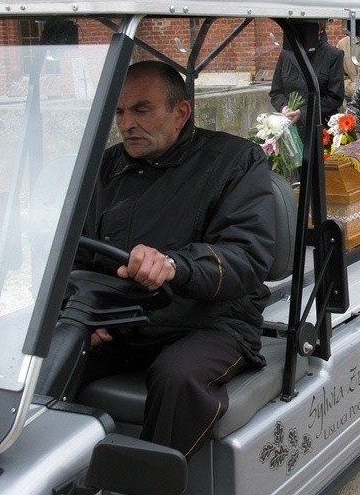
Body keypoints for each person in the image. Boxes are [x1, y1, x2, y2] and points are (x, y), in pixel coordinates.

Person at [76, 60, 277, 456]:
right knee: (39, 357)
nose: (127, 122)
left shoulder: (235, 161)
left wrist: (174, 265)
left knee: (177, 377)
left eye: (141, 109)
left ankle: (150, 484)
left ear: (180, 113)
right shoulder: (104, 167)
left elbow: (247, 256)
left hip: (209, 320)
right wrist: (78, 313)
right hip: (120, 319)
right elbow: (75, 253)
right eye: (119, 111)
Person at [269, 22, 344, 131]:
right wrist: (284, 107)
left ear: (320, 29)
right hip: (290, 127)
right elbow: (276, 91)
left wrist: (303, 112)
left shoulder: (333, 55)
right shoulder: (286, 54)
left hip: (320, 129)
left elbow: (335, 97)